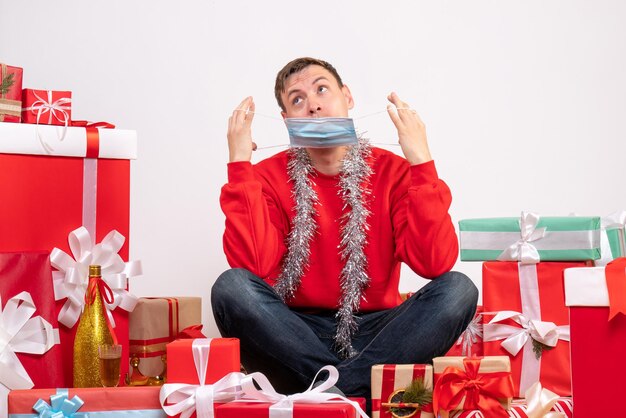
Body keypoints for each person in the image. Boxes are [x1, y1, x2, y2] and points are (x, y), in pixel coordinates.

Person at [212, 57, 478, 407]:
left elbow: (434, 262)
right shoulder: (265, 177)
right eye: (297, 99)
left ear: (347, 97)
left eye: (321, 89)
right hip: (293, 333)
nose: (313, 104)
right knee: (231, 287)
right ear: (286, 120)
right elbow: (253, 264)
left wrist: (421, 162)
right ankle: (357, 393)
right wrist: (240, 166)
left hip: (380, 334)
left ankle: (332, 397)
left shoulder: (393, 171)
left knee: (458, 289)